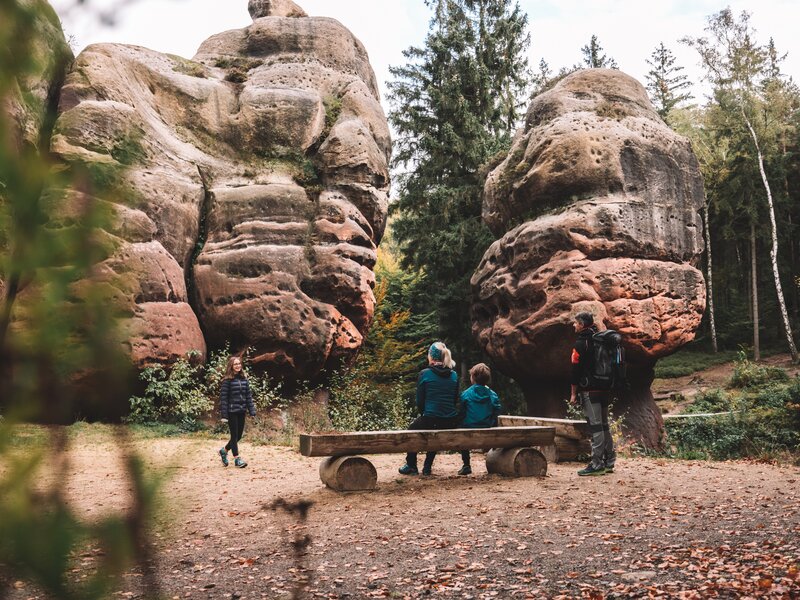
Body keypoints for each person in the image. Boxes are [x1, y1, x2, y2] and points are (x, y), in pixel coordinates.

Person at [398, 342, 459, 476]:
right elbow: (454, 399)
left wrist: (425, 415)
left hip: (431, 418)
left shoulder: (424, 374)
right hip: (450, 420)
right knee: (436, 430)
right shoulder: (454, 375)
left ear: (431, 356)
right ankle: (427, 466)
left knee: (411, 431)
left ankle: (411, 465)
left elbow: (420, 401)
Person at [570, 311, 616, 476]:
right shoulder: (599, 340)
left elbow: (575, 371)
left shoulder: (581, 344)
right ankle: (609, 461)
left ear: (582, 325)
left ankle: (596, 465)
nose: (573, 325)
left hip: (590, 391)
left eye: (575, 323)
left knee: (596, 427)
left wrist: (574, 394)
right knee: (604, 425)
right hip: (604, 388)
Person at [457, 363, 501, 476]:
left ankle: (466, 465)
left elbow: (461, 412)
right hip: (487, 428)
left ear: (473, 377)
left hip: (468, 430)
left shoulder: (466, 394)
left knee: (461, 430)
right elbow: (497, 410)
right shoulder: (492, 395)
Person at [218, 356, 256, 468]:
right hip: (231, 411)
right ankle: (237, 459)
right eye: (235, 364)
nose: (238, 365)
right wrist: (224, 415)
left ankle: (224, 451)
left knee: (238, 436)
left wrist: (252, 410)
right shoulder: (227, 381)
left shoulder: (244, 380)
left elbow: (248, 396)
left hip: (241, 410)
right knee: (234, 435)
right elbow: (223, 399)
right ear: (231, 366)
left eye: (239, 363)